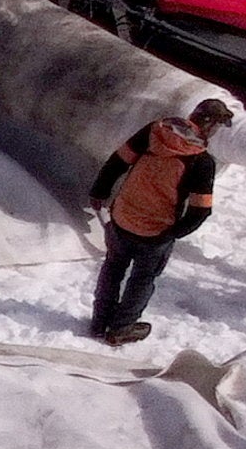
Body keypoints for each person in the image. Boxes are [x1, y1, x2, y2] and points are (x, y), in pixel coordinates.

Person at [85, 100, 237, 344]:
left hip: (122, 218)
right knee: (142, 278)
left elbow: (118, 161)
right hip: (155, 232)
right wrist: (173, 233)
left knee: (113, 267)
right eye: (218, 127)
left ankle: (99, 322)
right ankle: (121, 328)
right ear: (210, 127)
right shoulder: (202, 161)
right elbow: (201, 210)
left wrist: (99, 191)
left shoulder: (154, 131)